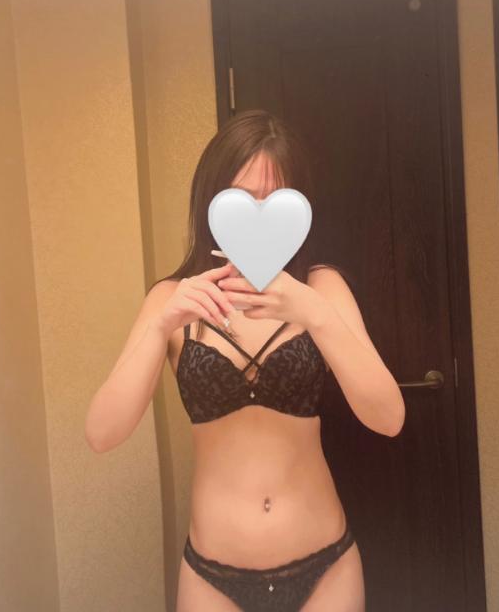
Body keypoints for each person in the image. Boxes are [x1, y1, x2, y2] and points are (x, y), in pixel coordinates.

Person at [85, 109, 405, 612]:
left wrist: (314, 313)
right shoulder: (171, 299)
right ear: (211, 202)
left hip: (326, 567)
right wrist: (161, 326)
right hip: (212, 577)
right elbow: (102, 433)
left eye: (275, 201)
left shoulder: (321, 288)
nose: (259, 214)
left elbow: (388, 418)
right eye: (242, 198)